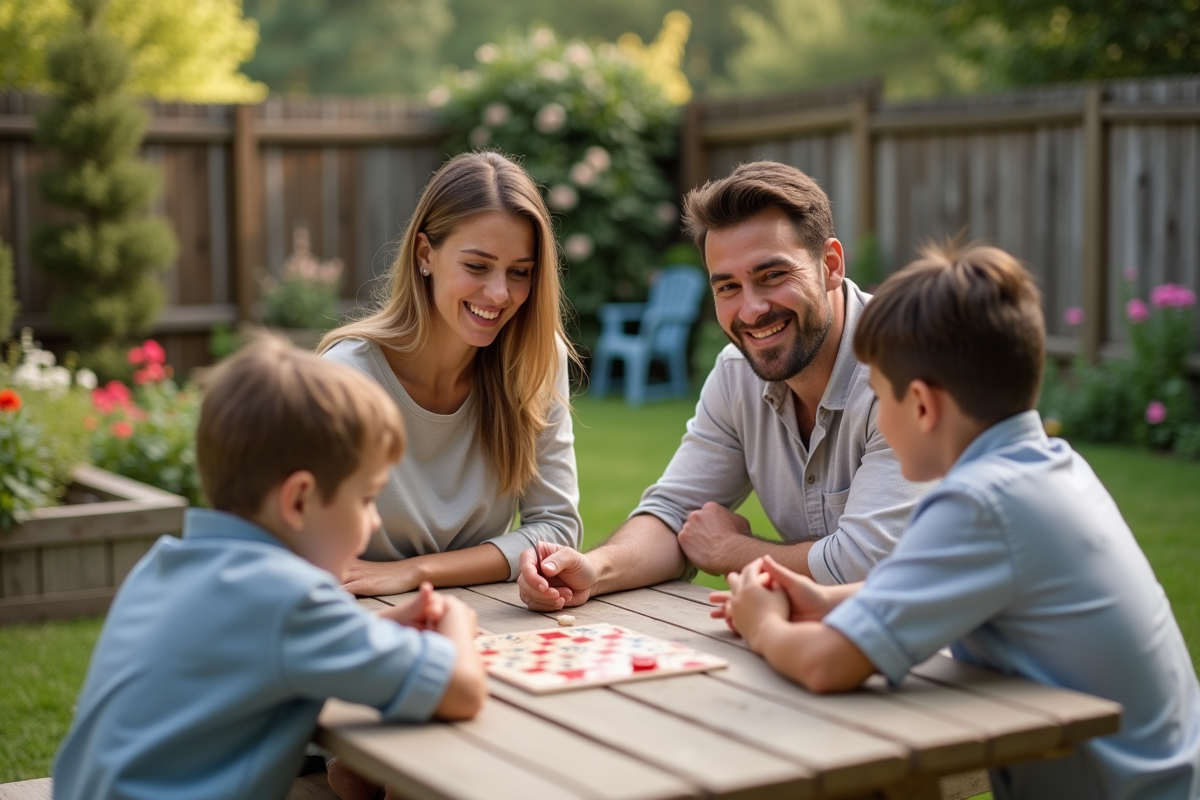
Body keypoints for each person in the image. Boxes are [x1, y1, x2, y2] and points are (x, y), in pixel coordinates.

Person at [719, 243, 1200, 799]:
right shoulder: (1042, 468)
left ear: (921, 406)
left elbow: (829, 666)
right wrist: (825, 601)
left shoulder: (980, 503)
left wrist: (762, 624)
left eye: (879, 399)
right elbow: (941, 589)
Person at [52, 336, 488, 800]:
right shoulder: (289, 600)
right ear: (298, 499)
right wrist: (455, 618)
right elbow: (459, 691)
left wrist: (382, 626)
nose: (375, 519)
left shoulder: (164, 564)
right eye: (365, 499)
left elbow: (259, 649)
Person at [518, 161, 930, 611]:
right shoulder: (738, 374)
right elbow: (675, 514)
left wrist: (730, 552)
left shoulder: (904, 370)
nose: (751, 311)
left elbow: (869, 564)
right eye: (728, 287)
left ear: (829, 264)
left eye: (772, 276)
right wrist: (595, 570)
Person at [321, 151, 582, 597]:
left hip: (485, 618)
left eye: (519, 273)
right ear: (426, 254)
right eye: (477, 266)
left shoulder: (536, 361)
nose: (499, 294)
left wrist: (418, 571)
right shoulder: (343, 380)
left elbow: (557, 529)